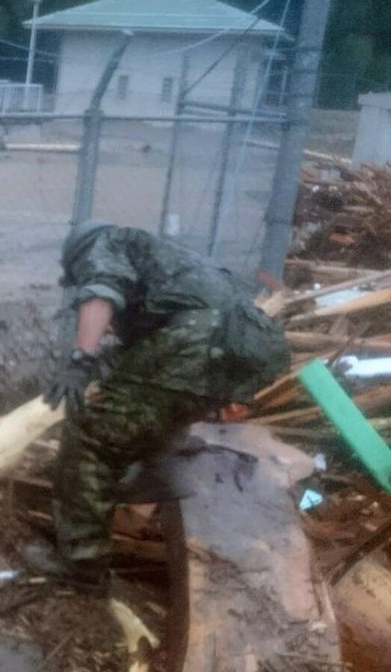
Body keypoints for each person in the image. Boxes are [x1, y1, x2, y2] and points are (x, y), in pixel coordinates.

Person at [35, 221, 289, 582]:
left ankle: (80, 568)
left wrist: (80, 361)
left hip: (201, 340)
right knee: (143, 414)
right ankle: (161, 467)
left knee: (90, 441)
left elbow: (102, 289)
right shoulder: (172, 261)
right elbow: (142, 355)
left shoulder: (101, 243)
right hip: (248, 349)